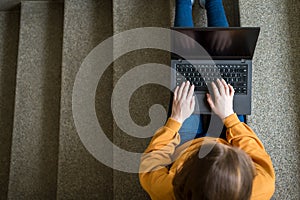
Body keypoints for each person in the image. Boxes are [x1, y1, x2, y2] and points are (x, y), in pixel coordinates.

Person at [139, 0, 275, 199]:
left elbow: (150, 166)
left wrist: (175, 120)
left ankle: (184, 3)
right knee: (226, 59)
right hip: (223, 131)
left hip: (185, 145)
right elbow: (254, 152)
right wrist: (230, 117)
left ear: (183, 176)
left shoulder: (166, 190)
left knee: (186, 60)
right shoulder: (262, 186)